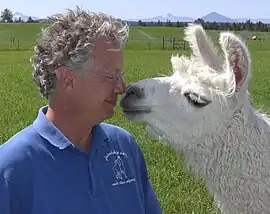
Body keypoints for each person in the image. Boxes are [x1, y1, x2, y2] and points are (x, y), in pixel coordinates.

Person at [0, 8, 162, 214]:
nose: (121, 87)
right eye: (110, 75)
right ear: (68, 79)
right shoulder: (10, 169)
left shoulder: (124, 147)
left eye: (120, 74)